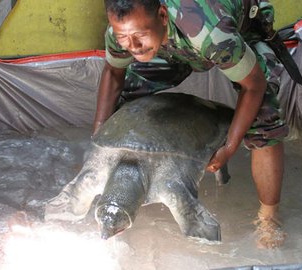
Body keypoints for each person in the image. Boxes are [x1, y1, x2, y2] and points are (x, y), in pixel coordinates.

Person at [94, 0, 289, 249]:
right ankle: (132, 191)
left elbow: (254, 85)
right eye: (123, 37)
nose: (132, 46)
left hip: (240, 31)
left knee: (264, 117)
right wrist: (100, 136)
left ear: (163, 15)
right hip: (170, 45)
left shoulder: (212, 34)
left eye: (139, 36)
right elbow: (113, 74)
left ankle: (269, 216)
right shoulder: (125, 30)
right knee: (124, 103)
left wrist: (229, 146)